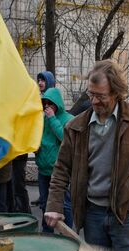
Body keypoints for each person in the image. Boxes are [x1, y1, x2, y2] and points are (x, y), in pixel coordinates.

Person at [44, 59, 129, 251]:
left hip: (126, 215)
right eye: (91, 94)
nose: (94, 101)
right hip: (92, 213)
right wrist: (54, 205)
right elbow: (61, 169)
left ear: (117, 92)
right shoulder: (76, 126)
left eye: (101, 96)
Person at [36, 87, 74, 232]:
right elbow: (39, 136)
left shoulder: (68, 119)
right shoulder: (43, 118)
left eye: (50, 103)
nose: (47, 107)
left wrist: (52, 118)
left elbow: (64, 138)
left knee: (64, 204)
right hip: (43, 169)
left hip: (60, 171)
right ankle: (47, 232)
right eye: (44, 103)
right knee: (46, 204)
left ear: (57, 104)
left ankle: (67, 232)